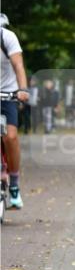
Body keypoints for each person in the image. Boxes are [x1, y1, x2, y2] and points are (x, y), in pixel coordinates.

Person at [1, 13, 30, 209]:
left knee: (10, 137)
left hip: (7, 95)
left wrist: (23, 89)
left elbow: (18, 65)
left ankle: (14, 184)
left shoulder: (7, 37)